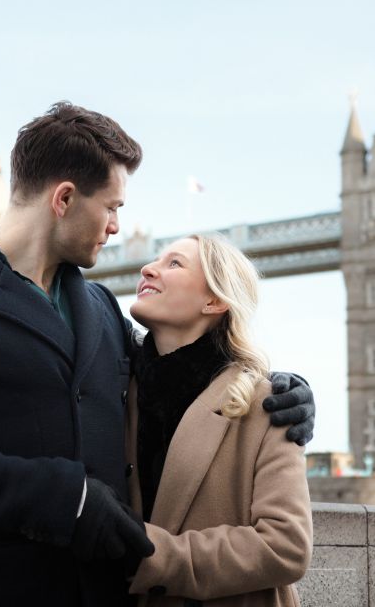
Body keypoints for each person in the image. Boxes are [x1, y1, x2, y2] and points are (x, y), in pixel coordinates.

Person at [0, 102, 315, 606]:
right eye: (113, 207)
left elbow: (176, 365)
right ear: (65, 198)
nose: (118, 226)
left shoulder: (99, 307)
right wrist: (61, 497)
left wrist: (277, 387)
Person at [124, 234, 312, 606]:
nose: (148, 268)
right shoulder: (117, 392)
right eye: (156, 261)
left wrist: (154, 557)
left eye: (174, 263)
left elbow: (288, 545)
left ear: (214, 300)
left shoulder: (263, 404)